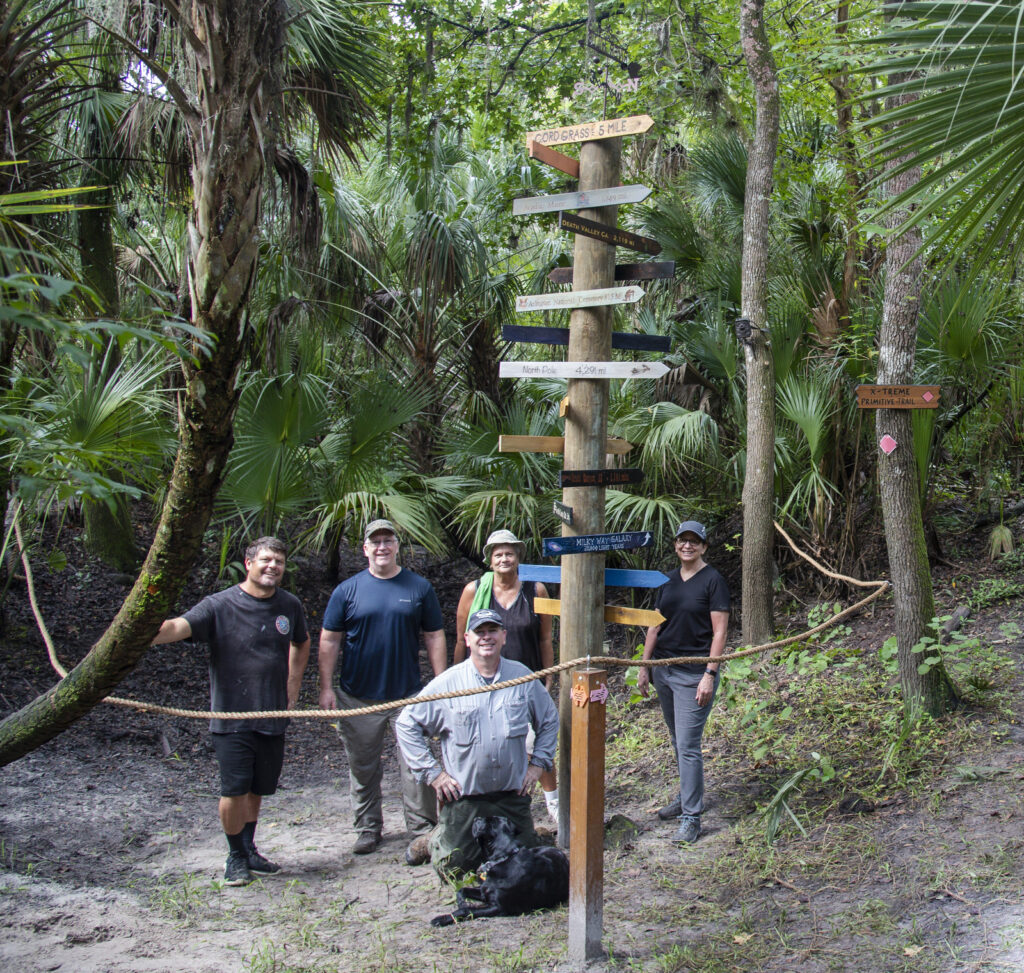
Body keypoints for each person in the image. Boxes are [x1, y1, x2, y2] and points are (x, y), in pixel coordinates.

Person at [152, 536, 310, 886]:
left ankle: (250, 848)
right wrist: (143, 630)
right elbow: (179, 627)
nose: (273, 567)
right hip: (231, 718)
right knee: (234, 790)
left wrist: (293, 687)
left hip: (272, 716)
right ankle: (234, 856)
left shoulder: (289, 605)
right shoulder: (219, 605)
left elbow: (302, 641)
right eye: (266, 560)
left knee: (257, 788)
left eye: (279, 562)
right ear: (249, 562)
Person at [318, 519, 446, 861]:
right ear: (365, 549)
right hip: (357, 695)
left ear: (396, 546)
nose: (382, 547)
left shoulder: (418, 587)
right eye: (375, 542)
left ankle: (422, 830)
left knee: (416, 766)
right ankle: (367, 828)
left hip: (408, 695)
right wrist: (326, 687)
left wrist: (440, 685)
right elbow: (330, 639)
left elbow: (434, 635)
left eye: (388, 541)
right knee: (362, 765)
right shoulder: (347, 591)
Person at [396, 608, 558, 877]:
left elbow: (549, 719)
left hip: (511, 795)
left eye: (492, 631)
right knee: (455, 869)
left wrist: (539, 763)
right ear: (467, 639)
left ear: (503, 636)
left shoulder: (523, 678)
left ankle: (532, 833)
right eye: (479, 632)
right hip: (465, 799)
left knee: (522, 866)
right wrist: (434, 774)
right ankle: (436, 838)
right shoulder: (448, 683)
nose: (486, 638)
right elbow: (406, 724)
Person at [454, 528, 559, 822]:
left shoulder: (535, 590)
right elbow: (461, 638)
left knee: (535, 741)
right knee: (487, 742)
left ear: (518, 557)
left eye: (509, 553)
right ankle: (491, 804)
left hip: (526, 681)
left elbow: (545, 638)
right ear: (490, 559)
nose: (504, 558)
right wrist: (456, 678)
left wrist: (548, 676)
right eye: (498, 553)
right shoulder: (474, 592)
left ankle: (553, 804)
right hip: (483, 681)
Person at [637, 520, 730, 844]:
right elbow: (654, 625)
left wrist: (710, 673)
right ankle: (686, 796)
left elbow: (720, 631)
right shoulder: (669, 581)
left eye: (694, 541)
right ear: (676, 545)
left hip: (694, 674)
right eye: (682, 540)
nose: (687, 546)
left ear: (703, 546)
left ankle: (692, 817)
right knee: (678, 741)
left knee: (689, 745)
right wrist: (644, 666)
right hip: (664, 669)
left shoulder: (713, 580)